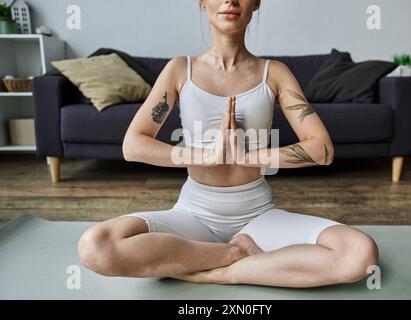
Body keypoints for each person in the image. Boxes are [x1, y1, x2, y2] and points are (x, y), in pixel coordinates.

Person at [78, 0, 378, 288]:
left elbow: (322, 150)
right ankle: (235, 255)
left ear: (256, 4)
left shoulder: (274, 73)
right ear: (202, 3)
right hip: (193, 215)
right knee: (97, 246)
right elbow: (133, 146)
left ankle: (221, 273)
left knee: (360, 255)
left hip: (259, 215)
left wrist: (248, 157)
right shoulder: (180, 70)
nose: (230, 1)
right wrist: (207, 156)